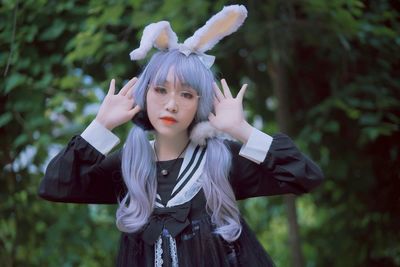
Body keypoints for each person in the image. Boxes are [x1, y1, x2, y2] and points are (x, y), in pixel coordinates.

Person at [39, 5, 324, 267]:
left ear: (201, 104)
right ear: (144, 93)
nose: (171, 104)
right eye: (160, 90)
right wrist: (100, 126)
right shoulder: (129, 166)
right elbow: (55, 185)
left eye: (186, 94)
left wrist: (242, 130)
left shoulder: (221, 161)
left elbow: (305, 176)